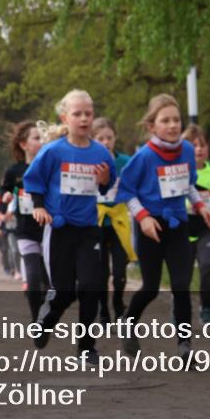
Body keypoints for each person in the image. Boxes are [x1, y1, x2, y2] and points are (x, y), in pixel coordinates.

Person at [116, 94, 210, 359]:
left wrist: (200, 206)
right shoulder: (144, 157)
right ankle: (128, 324)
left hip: (177, 224)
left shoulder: (186, 150)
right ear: (152, 126)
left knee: (181, 285)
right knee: (150, 286)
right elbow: (126, 191)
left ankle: (184, 346)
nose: (172, 125)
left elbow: (188, 184)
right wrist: (144, 217)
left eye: (176, 120)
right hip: (150, 226)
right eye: (165, 120)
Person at [23, 91, 115, 364]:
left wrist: (105, 179)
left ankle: (87, 346)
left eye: (88, 113)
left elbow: (106, 185)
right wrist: (39, 206)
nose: (84, 118)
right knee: (64, 290)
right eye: (78, 114)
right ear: (65, 117)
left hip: (87, 228)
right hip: (59, 228)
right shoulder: (53, 151)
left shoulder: (101, 152)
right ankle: (46, 318)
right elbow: (34, 181)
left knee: (90, 286)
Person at [0, 121, 48, 322]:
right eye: (37, 138)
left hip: (49, 230)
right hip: (25, 230)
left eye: (44, 138)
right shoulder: (15, 171)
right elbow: (5, 189)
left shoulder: (50, 167)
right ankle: (36, 319)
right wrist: (6, 197)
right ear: (23, 144)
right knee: (33, 276)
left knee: (49, 280)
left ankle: (46, 309)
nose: (42, 141)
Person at [181, 123, 210, 324]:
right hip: (183, 226)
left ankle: (206, 307)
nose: (199, 149)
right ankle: (179, 309)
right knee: (182, 271)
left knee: (208, 265)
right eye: (194, 145)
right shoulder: (180, 171)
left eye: (203, 145)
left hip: (206, 225)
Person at [92, 117, 133, 324]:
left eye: (109, 137)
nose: (106, 142)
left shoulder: (124, 162)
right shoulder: (87, 161)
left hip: (119, 221)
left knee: (119, 272)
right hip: (97, 221)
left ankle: (118, 304)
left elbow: (134, 185)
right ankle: (103, 311)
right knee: (101, 272)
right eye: (100, 138)